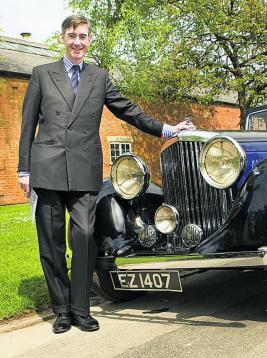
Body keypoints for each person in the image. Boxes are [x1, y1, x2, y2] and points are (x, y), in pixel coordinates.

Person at [17, 14, 194, 334]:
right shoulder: (42, 74)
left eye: (83, 36)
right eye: (72, 35)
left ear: (89, 40)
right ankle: (61, 310)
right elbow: (28, 125)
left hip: (84, 171)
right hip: (48, 169)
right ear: (62, 38)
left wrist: (167, 128)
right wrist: (24, 169)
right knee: (52, 243)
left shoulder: (99, 77)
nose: (77, 42)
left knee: (84, 238)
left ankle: (81, 309)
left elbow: (128, 110)